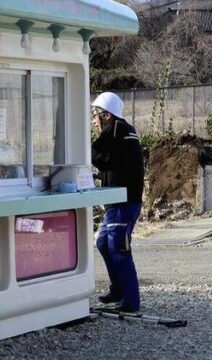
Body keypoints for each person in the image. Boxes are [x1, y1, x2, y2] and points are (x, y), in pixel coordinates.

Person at [91, 92, 144, 312]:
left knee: (119, 249)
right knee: (103, 242)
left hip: (122, 203)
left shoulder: (114, 130)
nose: (94, 121)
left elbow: (93, 155)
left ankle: (131, 301)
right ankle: (118, 288)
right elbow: (112, 163)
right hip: (123, 201)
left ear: (107, 115)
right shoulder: (126, 130)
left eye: (96, 115)